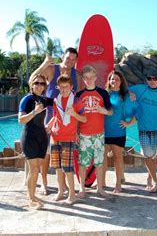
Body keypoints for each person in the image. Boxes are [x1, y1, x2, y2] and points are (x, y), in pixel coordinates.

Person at [29, 47, 80, 195]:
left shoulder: (76, 74)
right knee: (46, 153)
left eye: (73, 59)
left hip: (68, 121)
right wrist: (44, 64)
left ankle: (62, 186)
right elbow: (32, 80)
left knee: (63, 154)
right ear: (63, 56)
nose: (69, 61)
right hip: (50, 118)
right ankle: (44, 183)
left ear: (76, 61)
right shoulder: (52, 70)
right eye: (67, 58)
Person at [129, 68, 157, 193]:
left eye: (155, 78)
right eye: (149, 78)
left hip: (156, 130)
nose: (152, 81)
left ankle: (149, 179)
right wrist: (130, 94)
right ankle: (156, 182)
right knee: (148, 156)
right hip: (143, 130)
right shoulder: (140, 89)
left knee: (152, 157)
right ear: (146, 80)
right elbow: (122, 89)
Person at [47, 74, 86, 204]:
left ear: (71, 87)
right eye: (61, 87)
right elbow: (56, 116)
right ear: (58, 87)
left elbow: (84, 119)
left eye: (66, 87)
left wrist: (73, 113)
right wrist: (49, 125)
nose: (64, 89)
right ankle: (60, 191)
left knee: (68, 168)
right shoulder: (55, 100)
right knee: (57, 167)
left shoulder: (77, 101)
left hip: (68, 137)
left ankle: (72, 195)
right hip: (55, 136)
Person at [75, 65, 113, 198]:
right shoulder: (79, 95)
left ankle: (100, 188)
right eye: (86, 78)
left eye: (91, 77)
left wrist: (105, 111)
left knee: (99, 162)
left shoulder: (103, 93)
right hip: (84, 134)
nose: (89, 80)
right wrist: (76, 133)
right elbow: (75, 116)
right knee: (83, 162)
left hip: (99, 134)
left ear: (96, 77)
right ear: (83, 80)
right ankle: (81, 189)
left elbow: (111, 111)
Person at [18, 74, 53, 210]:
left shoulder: (43, 99)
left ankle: (31, 195)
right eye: (36, 83)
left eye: (42, 84)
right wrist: (34, 112)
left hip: (42, 137)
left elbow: (60, 103)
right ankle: (31, 199)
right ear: (31, 85)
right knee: (33, 169)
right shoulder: (27, 99)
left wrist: (50, 123)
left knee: (37, 169)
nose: (39, 86)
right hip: (30, 137)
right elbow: (21, 120)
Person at [103, 70, 136, 194]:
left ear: (121, 81)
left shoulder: (126, 96)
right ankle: (102, 182)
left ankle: (118, 184)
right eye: (112, 79)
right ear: (109, 81)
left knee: (118, 158)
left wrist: (129, 123)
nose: (114, 81)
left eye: (117, 79)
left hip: (118, 133)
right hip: (104, 132)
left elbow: (137, 111)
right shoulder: (105, 94)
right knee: (102, 158)